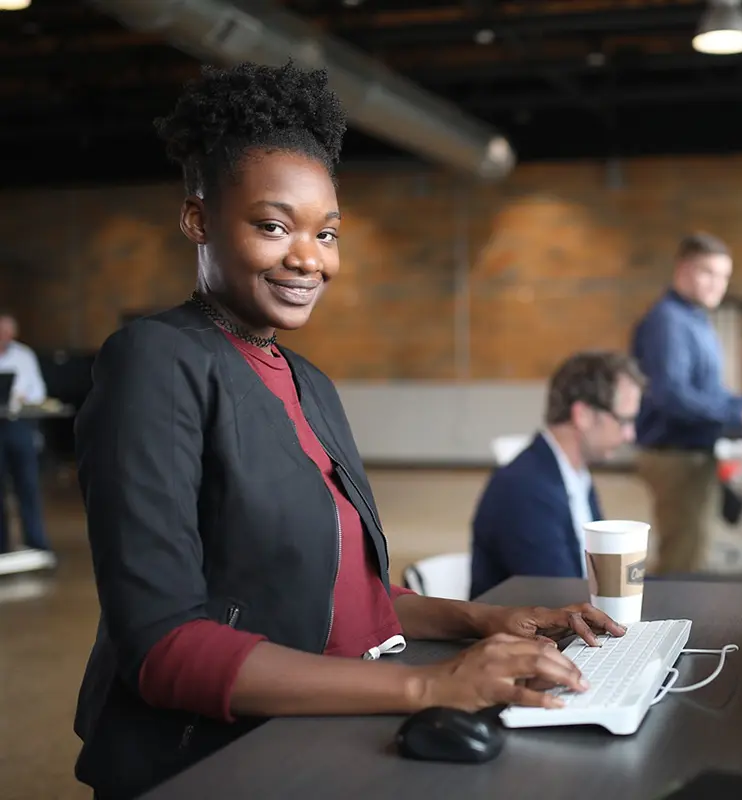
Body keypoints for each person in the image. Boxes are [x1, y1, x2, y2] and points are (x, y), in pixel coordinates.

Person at [72, 61, 623, 800]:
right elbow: (164, 647)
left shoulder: (310, 384)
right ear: (197, 218)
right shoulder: (153, 361)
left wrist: (490, 621)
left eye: (326, 233)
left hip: (323, 725)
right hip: (212, 759)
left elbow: (344, 599)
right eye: (273, 226)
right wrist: (430, 687)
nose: (309, 258)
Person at [631, 232, 742, 575]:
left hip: (693, 453)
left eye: (724, 276)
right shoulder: (668, 321)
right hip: (674, 455)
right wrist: (738, 411)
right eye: (708, 273)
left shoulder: (694, 319)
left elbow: (707, 390)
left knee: (692, 551)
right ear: (683, 270)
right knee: (680, 559)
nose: (718, 284)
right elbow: (672, 395)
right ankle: (665, 626)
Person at [470, 351, 645, 598]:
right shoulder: (525, 489)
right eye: (624, 420)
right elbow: (559, 599)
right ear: (583, 415)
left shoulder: (573, 475)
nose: (630, 435)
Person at [0, 312, 51, 553]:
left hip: (18, 424)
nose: (4, 336)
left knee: (28, 486)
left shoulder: (24, 356)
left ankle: (36, 543)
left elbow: (39, 391)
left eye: (7, 331)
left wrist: (22, 398)